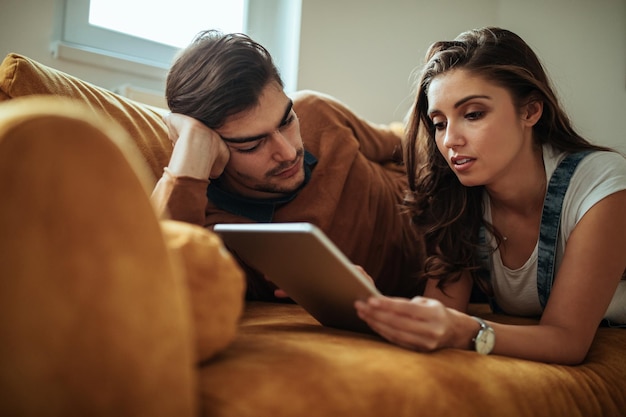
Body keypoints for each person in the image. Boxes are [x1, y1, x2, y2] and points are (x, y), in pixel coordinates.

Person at [355, 27, 626, 365]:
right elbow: (439, 315)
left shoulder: (600, 183)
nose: (450, 140)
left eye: (473, 114)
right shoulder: (457, 194)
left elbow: (567, 341)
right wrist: (364, 301)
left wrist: (464, 331)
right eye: (439, 123)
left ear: (530, 112)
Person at [151, 30, 425, 300]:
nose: (286, 152)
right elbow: (156, 282)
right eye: (252, 145)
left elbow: (404, 144)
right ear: (214, 149)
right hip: (430, 288)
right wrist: (192, 144)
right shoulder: (215, 229)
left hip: (443, 207)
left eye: (287, 121)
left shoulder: (316, 111)